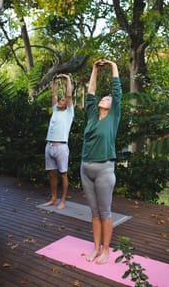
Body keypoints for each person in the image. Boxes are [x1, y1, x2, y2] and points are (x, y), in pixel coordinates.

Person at [80, 59, 122, 264]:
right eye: (103, 97)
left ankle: (106, 250)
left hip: (104, 169)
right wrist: (95, 70)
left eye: (108, 98)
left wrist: (113, 65)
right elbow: (91, 92)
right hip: (85, 168)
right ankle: (95, 248)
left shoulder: (113, 116)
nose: (104, 99)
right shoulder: (92, 116)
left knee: (105, 212)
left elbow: (116, 91)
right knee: (94, 212)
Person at [43, 74, 74, 210]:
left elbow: (68, 95)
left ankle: (63, 200)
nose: (61, 100)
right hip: (49, 146)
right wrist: (54, 81)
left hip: (61, 146)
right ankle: (53, 198)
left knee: (63, 174)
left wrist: (67, 78)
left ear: (67, 103)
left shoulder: (69, 113)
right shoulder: (55, 110)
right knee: (52, 173)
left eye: (64, 100)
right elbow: (53, 94)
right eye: (60, 100)